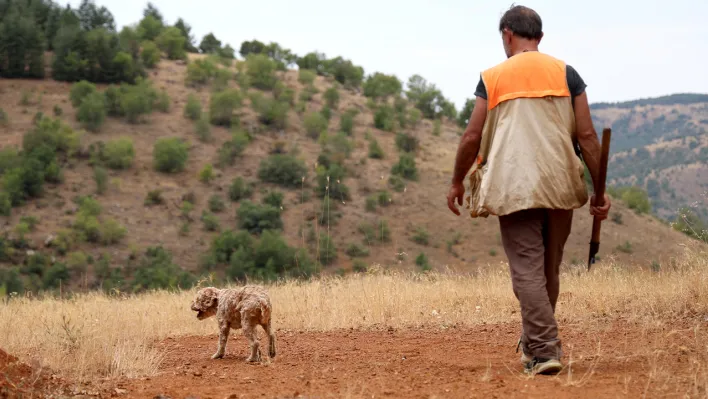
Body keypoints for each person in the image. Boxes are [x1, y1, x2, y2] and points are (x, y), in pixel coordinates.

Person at [446, 5, 611, 375]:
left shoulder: (492, 77)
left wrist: (457, 181)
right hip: (561, 183)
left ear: (507, 34)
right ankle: (537, 341)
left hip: (513, 184)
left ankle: (542, 350)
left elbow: (472, 135)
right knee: (548, 268)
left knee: (527, 270)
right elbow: (586, 136)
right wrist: (599, 192)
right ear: (539, 36)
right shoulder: (566, 74)